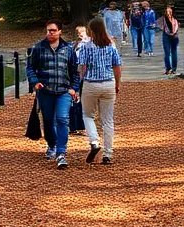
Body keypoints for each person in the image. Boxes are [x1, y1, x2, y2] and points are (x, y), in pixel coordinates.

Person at [26, 19, 81, 169]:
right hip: (46, 91)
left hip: (64, 90)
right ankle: (52, 144)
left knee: (62, 119)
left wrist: (74, 88)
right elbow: (30, 67)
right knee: (48, 121)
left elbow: (75, 71)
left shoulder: (68, 49)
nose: (50, 33)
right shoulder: (38, 48)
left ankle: (61, 152)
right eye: (48, 30)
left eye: (53, 30)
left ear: (59, 32)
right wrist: (35, 81)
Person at [77, 17, 122, 165]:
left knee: (87, 115)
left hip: (91, 83)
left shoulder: (85, 46)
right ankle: (108, 154)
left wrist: (79, 82)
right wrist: (117, 83)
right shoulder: (111, 45)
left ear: (91, 30)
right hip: (108, 83)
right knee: (107, 120)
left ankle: (94, 141)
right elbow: (117, 66)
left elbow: (82, 67)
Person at [158, 5, 180, 74]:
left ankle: (171, 68)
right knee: (170, 52)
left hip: (169, 36)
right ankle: (171, 68)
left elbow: (158, 25)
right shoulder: (173, 19)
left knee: (170, 52)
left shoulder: (167, 19)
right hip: (172, 36)